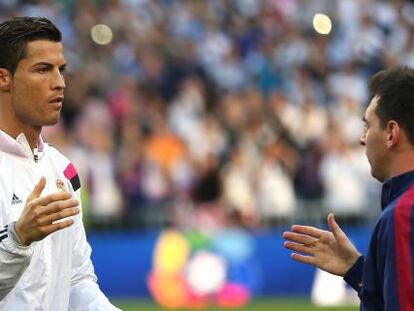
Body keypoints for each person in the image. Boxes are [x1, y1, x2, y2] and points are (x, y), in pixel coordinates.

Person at [0, 16, 121, 310]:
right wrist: (17, 239)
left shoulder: (62, 169)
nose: (60, 83)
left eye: (61, 70)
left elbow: (77, 280)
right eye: (43, 70)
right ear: (4, 78)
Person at [283, 66, 414, 310]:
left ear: (391, 133)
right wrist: (356, 269)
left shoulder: (403, 213)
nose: (362, 138)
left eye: (368, 125)